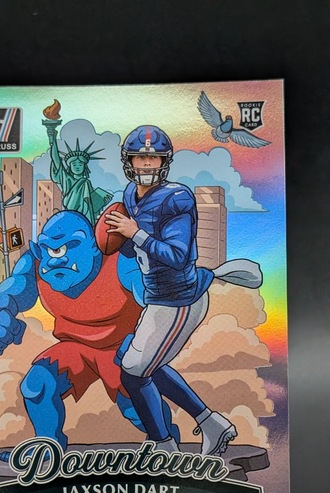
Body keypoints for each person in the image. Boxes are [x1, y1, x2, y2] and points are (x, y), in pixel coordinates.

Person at [105, 125, 262, 456]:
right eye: (140, 158)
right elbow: (138, 249)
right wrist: (120, 239)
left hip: (179, 300)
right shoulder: (130, 195)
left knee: (134, 373)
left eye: (153, 158)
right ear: (128, 161)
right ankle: (212, 424)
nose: (146, 164)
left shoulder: (176, 198)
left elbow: (177, 257)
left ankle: (164, 445)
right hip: (158, 298)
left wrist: (134, 233)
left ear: (164, 162)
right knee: (141, 363)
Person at [0, 210, 179, 460]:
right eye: (50, 250)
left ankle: (165, 441)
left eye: (69, 246)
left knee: (135, 407)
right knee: (36, 385)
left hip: (120, 347)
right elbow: (5, 294)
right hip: (75, 347)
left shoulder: (120, 260)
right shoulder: (35, 265)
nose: (57, 260)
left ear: (94, 247)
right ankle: (47, 447)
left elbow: (156, 302)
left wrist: (144, 342)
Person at [45, 124, 112, 225]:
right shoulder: (66, 178)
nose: (77, 167)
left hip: (86, 218)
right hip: (71, 215)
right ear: (69, 166)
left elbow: (91, 204)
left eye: (80, 164)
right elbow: (56, 160)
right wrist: (53, 140)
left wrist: (102, 200)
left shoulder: (86, 183)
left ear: (85, 166)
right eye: (74, 164)